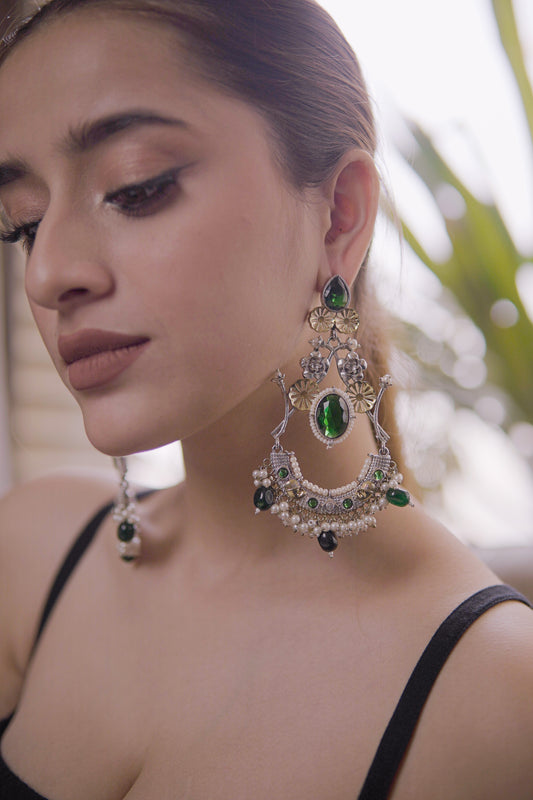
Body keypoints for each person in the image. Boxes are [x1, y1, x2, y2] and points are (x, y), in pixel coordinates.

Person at [1, 1, 532, 797]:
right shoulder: (29, 554)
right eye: (24, 223)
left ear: (338, 217)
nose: (47, 274)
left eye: (136, 187)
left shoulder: (499, 698)